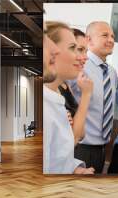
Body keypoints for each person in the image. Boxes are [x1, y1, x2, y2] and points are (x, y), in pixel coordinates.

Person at [43, 21, 94, 174]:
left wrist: (74, 168)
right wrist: (86, 94)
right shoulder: (45, 109)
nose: (82, 57)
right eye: (74, 48)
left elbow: (57, 156)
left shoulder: (59, 95)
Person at [67, 21, 118, 173]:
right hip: (79, 148)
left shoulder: (112, 72)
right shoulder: (78, 65)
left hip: (102, 150)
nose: (111, 40)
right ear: (89, 39)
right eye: (105, 35)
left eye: (112, 36)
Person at [58, 28, 88, 127]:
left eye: (86, 51)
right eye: (80, 49)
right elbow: (76, 135)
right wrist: (86, 94)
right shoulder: (50, 87)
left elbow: (80, 133)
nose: (86, 57)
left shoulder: (65, 84)